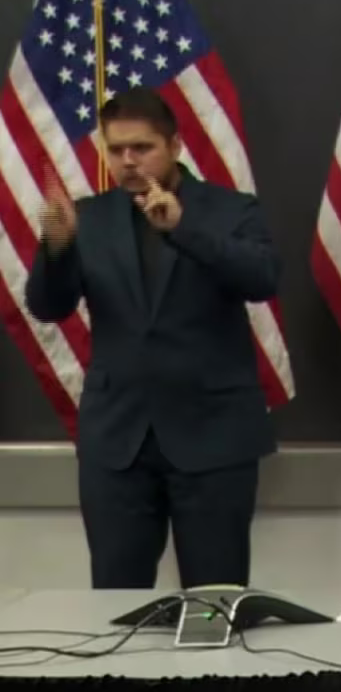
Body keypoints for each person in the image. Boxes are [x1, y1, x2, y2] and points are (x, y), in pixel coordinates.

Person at [25, 88, 280, 590]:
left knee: (214, 603)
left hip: (214, 438)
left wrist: (183, 229)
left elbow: (263, 279)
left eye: (142, 148)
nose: (127, 161)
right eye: (116, 149)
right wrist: (56, 251)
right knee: (115, 605)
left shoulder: (232, 210)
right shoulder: (89, 218)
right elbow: (47, 307)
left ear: (176, 146)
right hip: (117, 443)